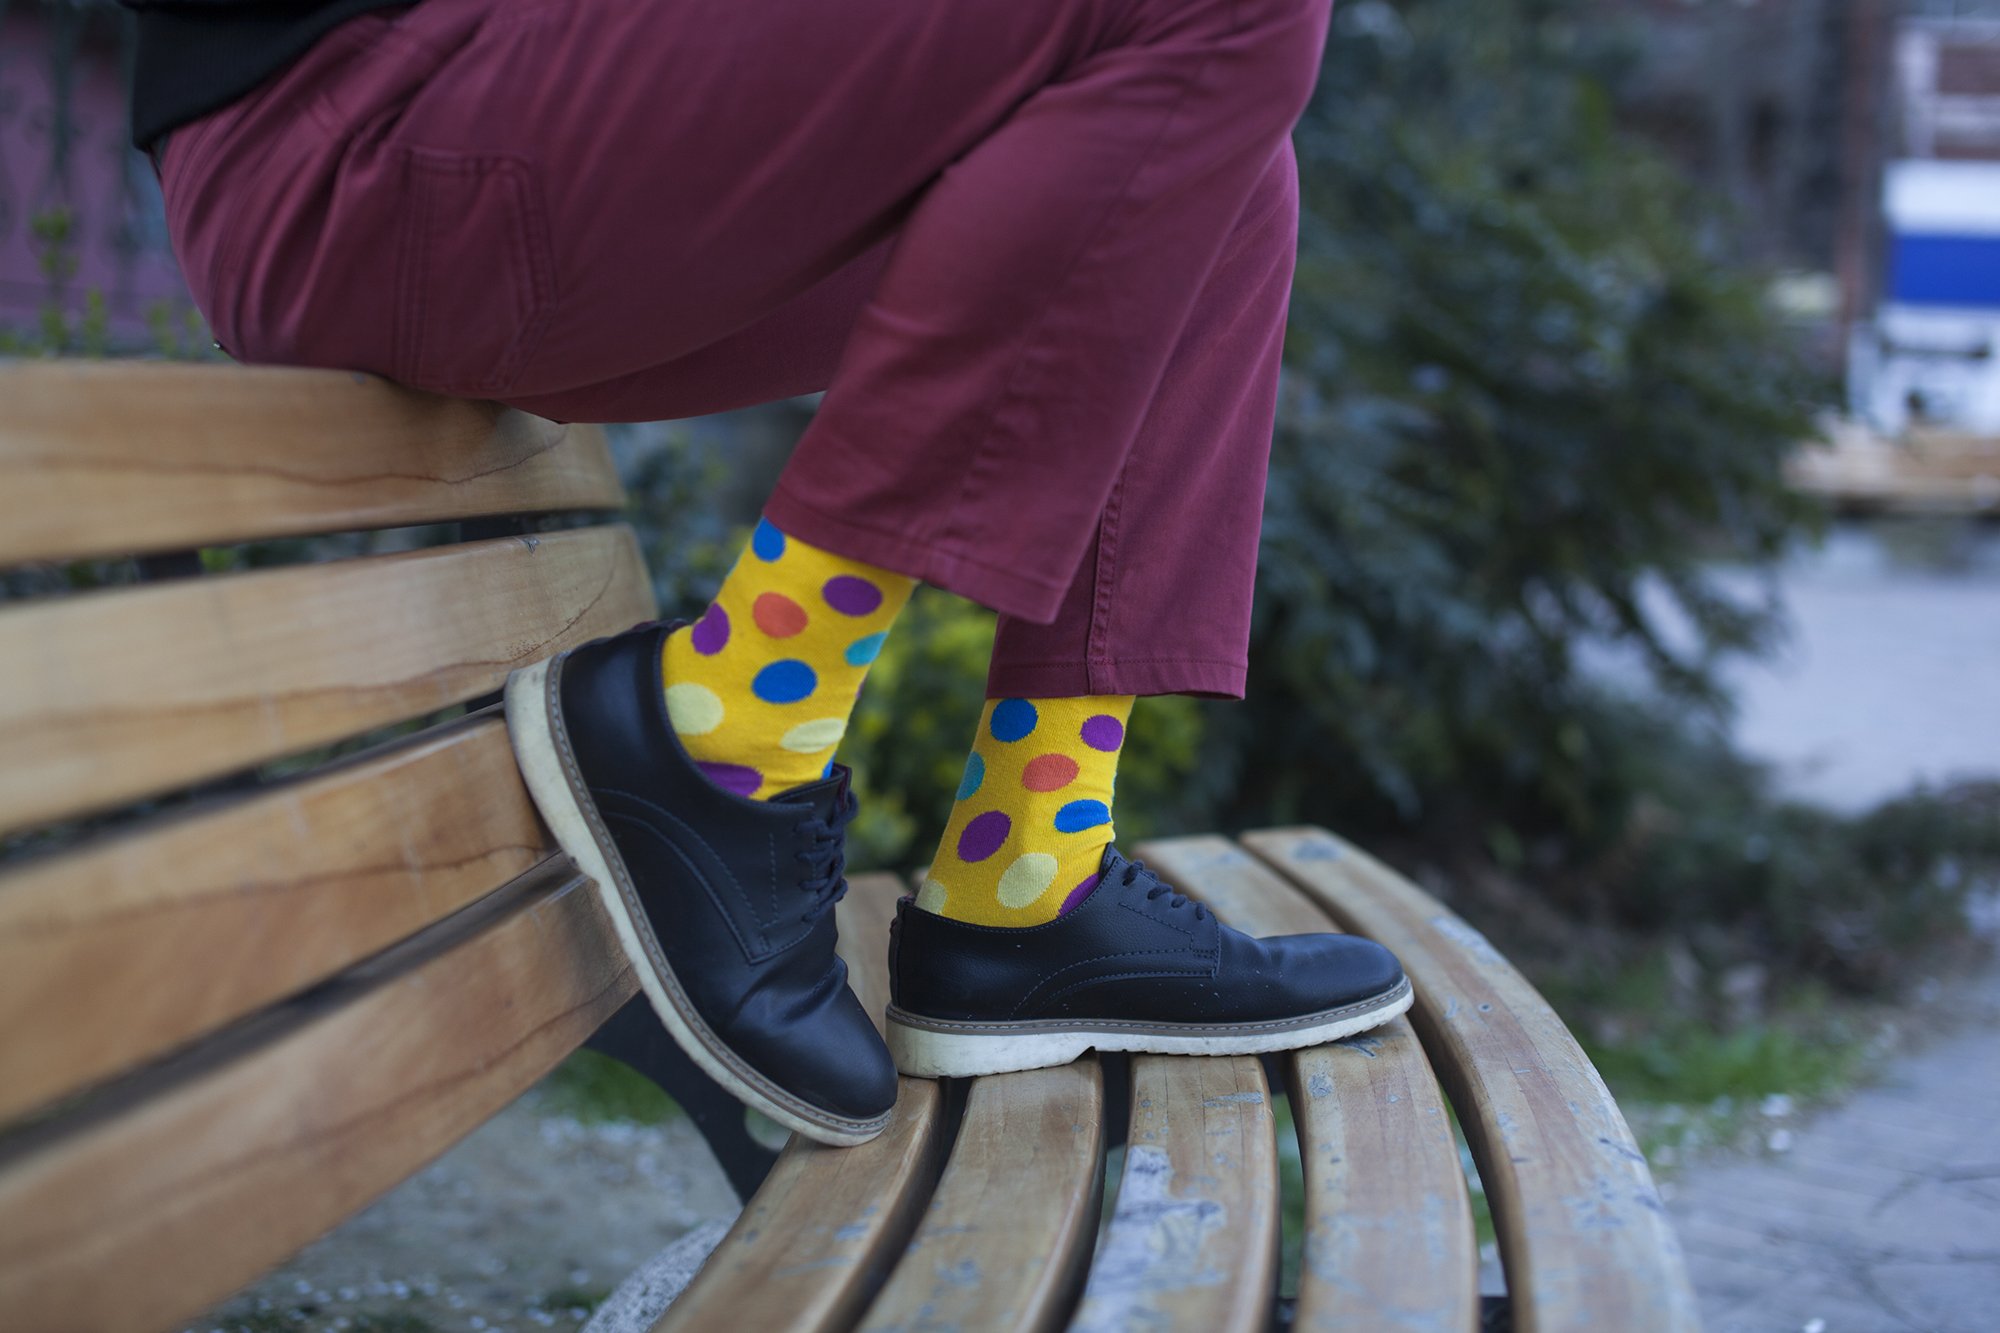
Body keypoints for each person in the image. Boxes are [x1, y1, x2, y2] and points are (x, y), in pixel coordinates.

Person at [130, 0, 1412, 1147]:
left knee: (1218, 176)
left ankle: (1028, 866)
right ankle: (736, 720)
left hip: (520, 136)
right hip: (360, 141)